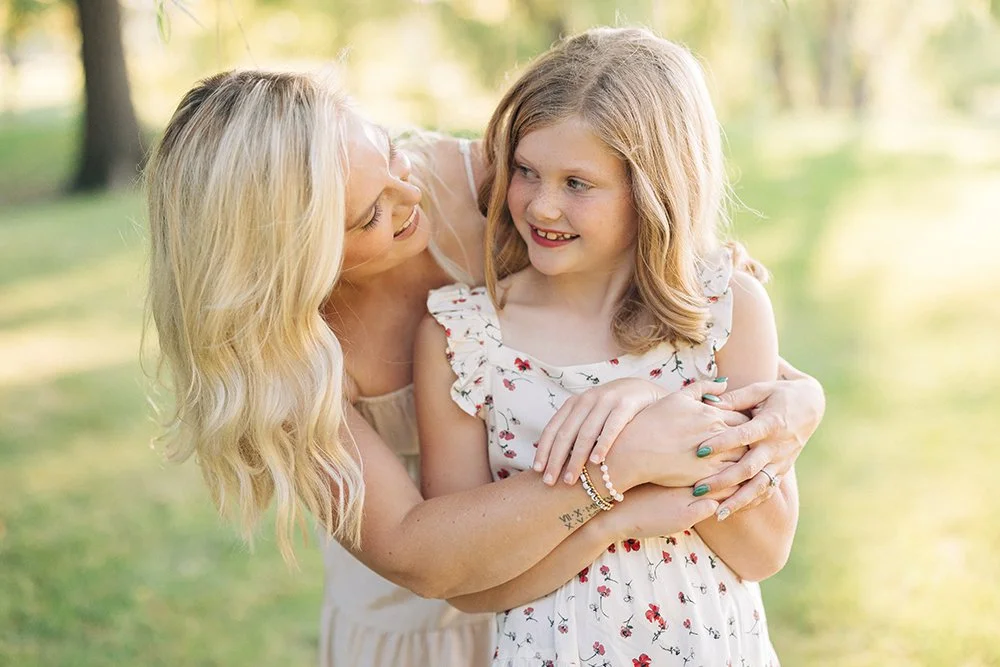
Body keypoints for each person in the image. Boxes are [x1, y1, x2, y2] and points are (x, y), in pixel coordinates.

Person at [142, 65, 823, 667]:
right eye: (370, 215)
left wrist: (801, 396)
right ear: (289, 259)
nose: (410, 200)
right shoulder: (279, 363)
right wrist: (613, 473)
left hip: (610, 593)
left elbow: (664, 302)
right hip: (424, 613)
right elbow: (417, 553)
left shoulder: (481, 182)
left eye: (388, 155)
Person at [416, 27, 796, 665]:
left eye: (577, 184)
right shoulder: (464, 340)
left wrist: (651, 407)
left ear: (652, 192)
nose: (541, 205)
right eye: (526, 171)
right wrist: (613, 518)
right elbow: (470, 586)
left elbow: (763, 550)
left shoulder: (725, 312)